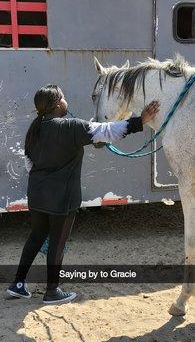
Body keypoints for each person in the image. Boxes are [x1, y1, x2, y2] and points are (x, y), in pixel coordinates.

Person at [7, 84, 159, 304]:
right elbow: (107, 131)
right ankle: (52, 292)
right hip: (62, 199)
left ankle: (18, 284)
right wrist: (140, 121)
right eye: (64, 97)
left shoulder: (35, 128)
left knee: (36, 236)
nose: (66, 101)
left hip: (37, 195)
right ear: (58, 104)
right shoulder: (72, 127)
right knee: (57, 244)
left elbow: (29, 163)